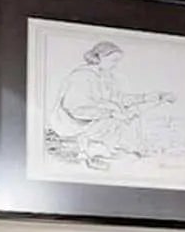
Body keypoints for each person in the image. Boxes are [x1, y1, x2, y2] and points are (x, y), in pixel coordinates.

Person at [48, 39, 175, 170]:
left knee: (130, 114)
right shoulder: (81, 77)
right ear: (98, 57)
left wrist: (152, 97)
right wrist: (111, 113)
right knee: (116, 115)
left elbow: (119, 99)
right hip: (74, 122)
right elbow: (76, 110)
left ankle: (132, 149)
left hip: (95, 117)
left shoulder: (105, 76)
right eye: (113, 61)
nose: (116, 65)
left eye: (117, 61)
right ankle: (93, 153)